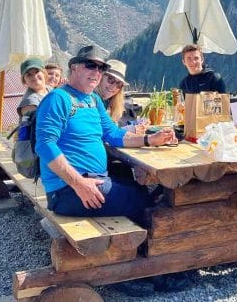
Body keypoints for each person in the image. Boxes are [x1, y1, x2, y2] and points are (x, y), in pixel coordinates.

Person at [34, 46, 175, 223]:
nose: (97, 72)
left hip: (94, 179)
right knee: (147, 203)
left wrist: (151, 139)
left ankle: (136, 243)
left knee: (140, 189)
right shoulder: (58, 98)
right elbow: (45, 145)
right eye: (90, 65)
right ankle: (144, 247)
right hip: (67, 190)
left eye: (101, 68)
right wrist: (79, 184)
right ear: (74, 67)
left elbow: (113, 134)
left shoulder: (93, 99)